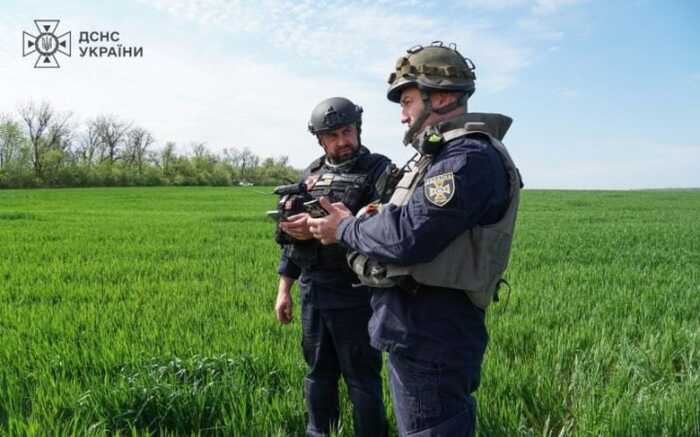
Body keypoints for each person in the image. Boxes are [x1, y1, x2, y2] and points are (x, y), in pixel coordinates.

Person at [307, 42, 522, 436]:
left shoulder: (466, 159)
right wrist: (364, 223)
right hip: (415, 322)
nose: (403, 115)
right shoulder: (441, 157)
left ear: (439, 96)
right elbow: (394, 220)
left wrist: (343, 228)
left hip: (434, 326)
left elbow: (407, 236)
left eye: (406, 100)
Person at [274, 97, 390, 437]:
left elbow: (388, 231)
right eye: (333, 136)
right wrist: (284, 290)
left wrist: (342, 228)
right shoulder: (311, 174)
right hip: (313, 291)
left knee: (362, 376)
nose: (343, 141)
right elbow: (292, 245)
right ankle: (318, 432)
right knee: (318, 371)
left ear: (358, 129)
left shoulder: (380, 170)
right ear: (320, 140)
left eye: (347, 131)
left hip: (357, 292)